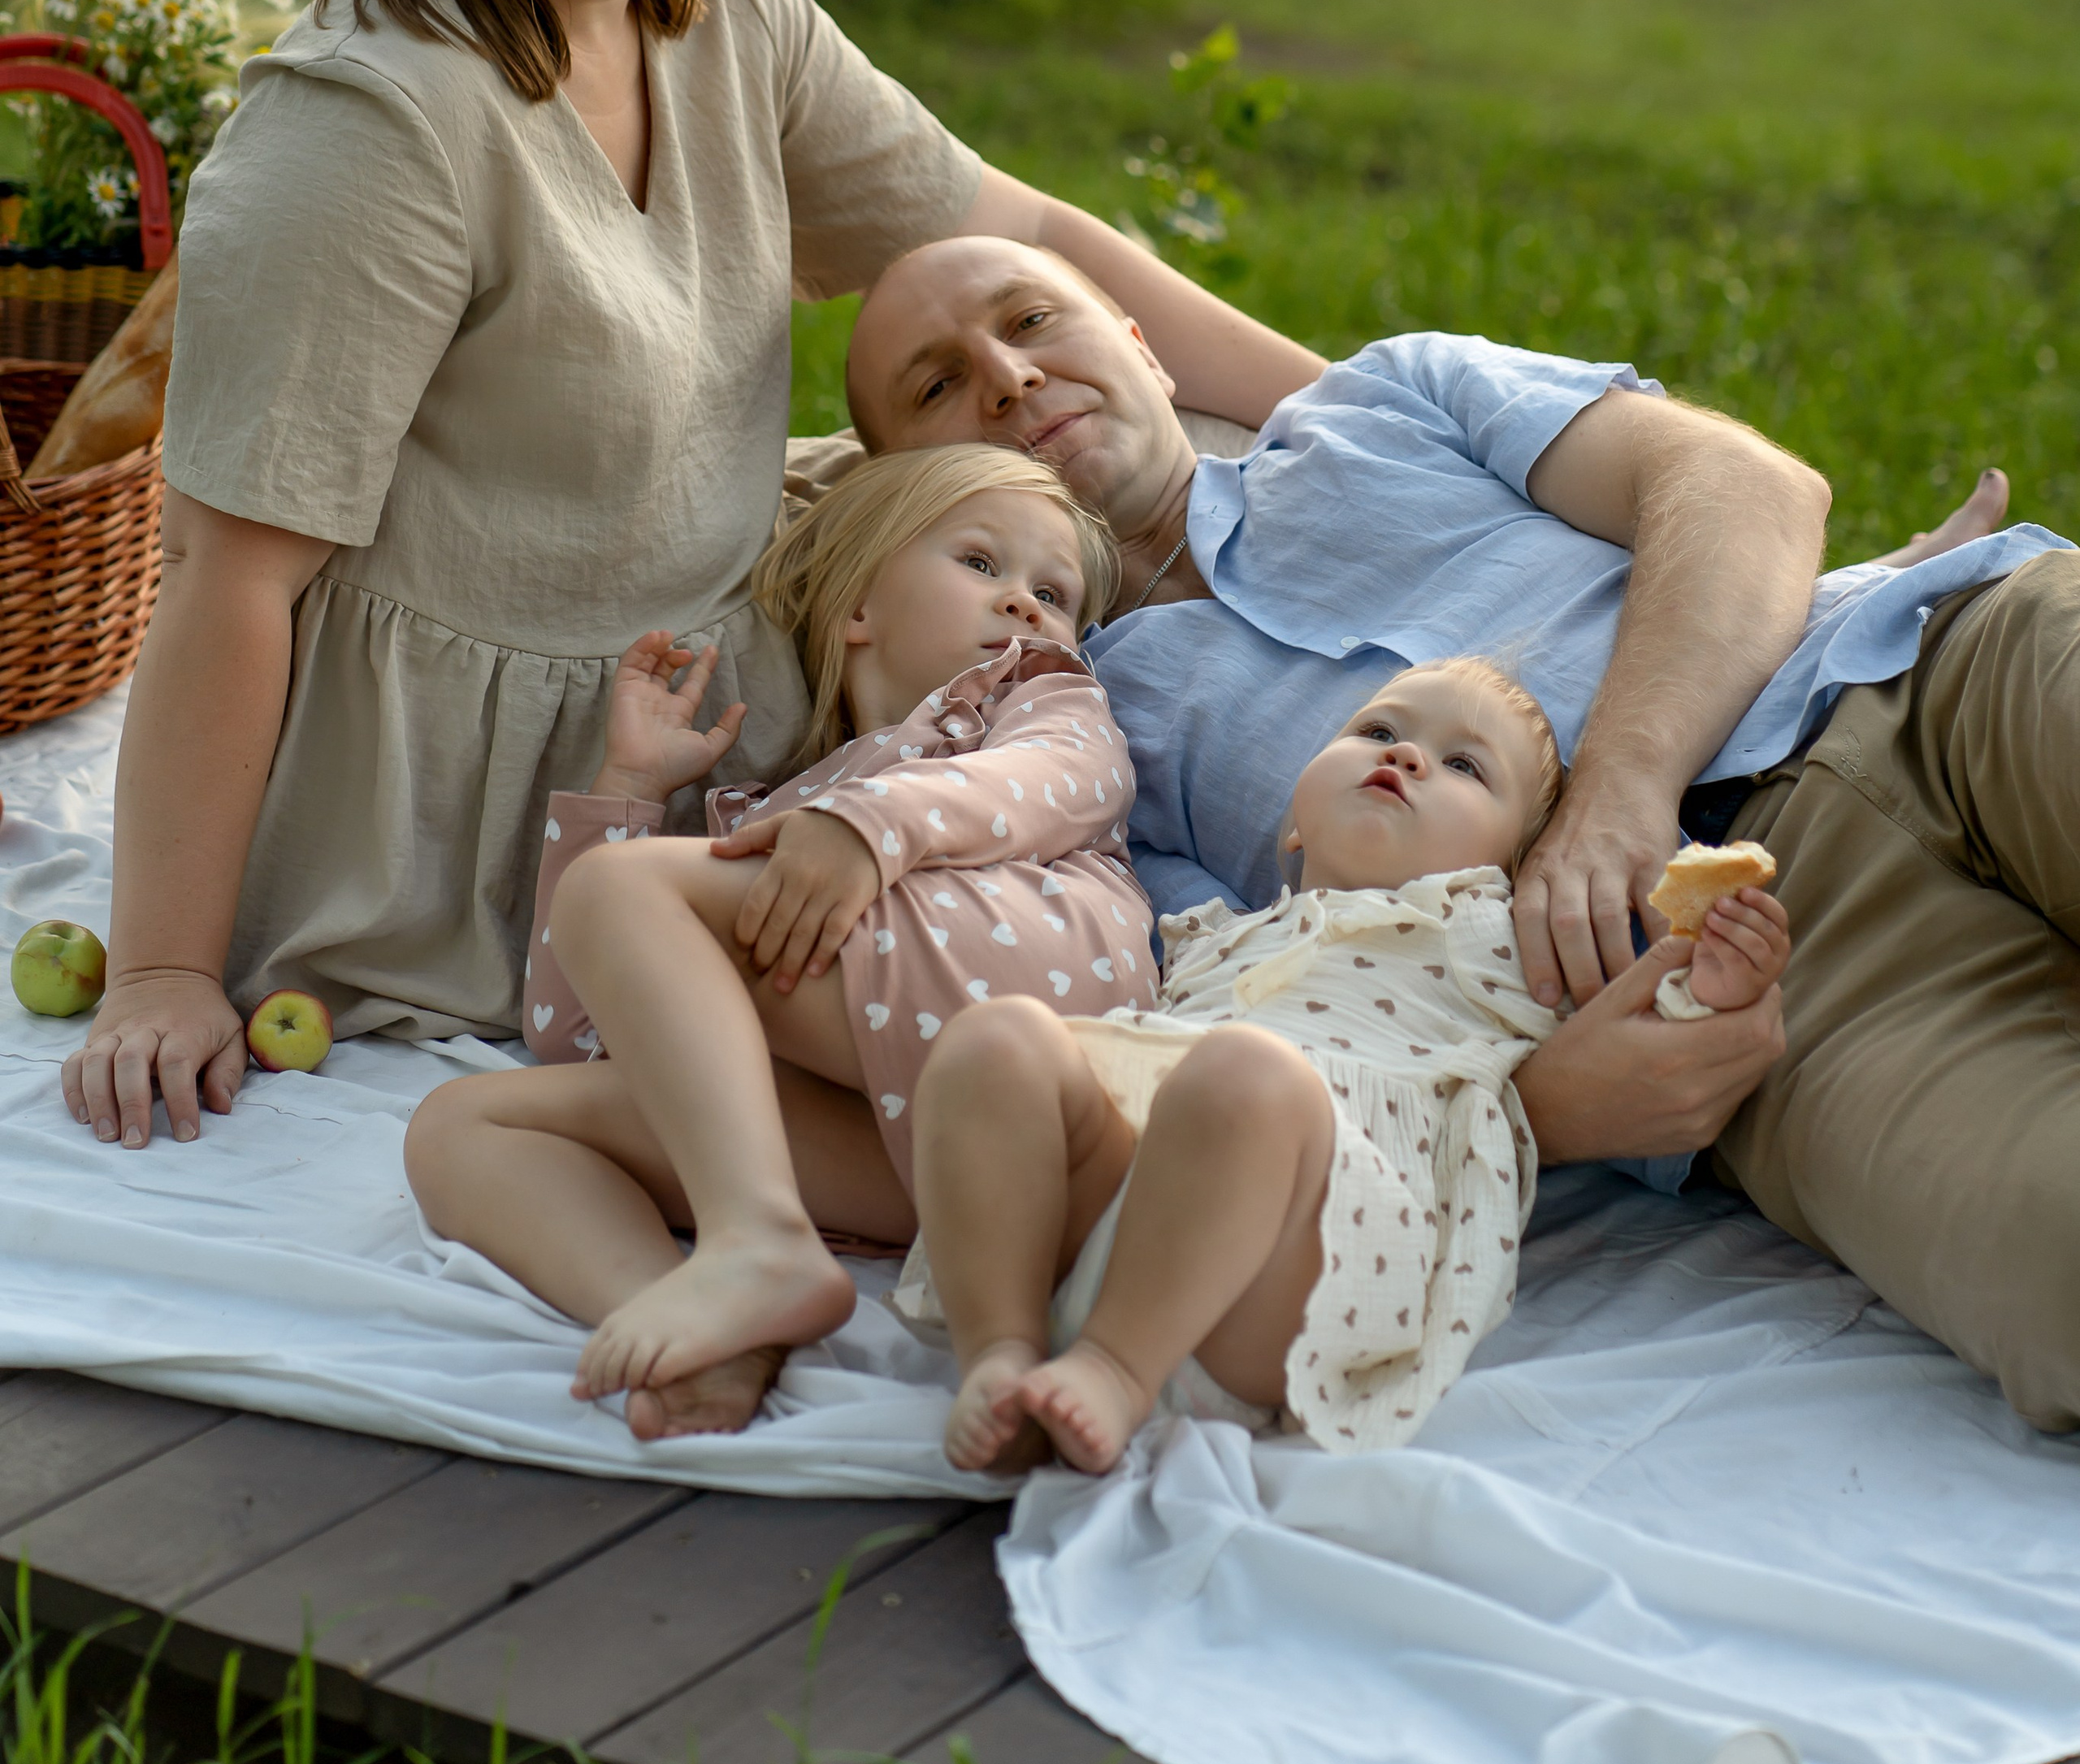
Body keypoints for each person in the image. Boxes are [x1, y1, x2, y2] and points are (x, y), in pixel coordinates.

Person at [61, 0, 1311, 1156]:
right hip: (473, 823)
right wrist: (160, 968)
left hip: (741, 702)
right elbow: (231, 575)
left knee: (1107, 617)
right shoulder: (370, 140)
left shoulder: (719, 12)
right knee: (988, 982)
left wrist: (1334, 402)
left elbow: (1014, 233)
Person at [843, 238, 2080, 1428]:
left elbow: (1744, 487)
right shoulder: (1079, 759)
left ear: (1138, 343)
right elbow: (1258, 1040)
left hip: (1931, 673)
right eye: (940, 385)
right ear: (909, 485)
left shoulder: (1388, 396)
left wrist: (1621, 789)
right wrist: (1537, 1104)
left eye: (1029, 320)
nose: (1008, 378)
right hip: (1745, 998)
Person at [404, 446, 1150, 1437]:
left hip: (1029, 1026)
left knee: (620, 894)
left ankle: (752, 1237)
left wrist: (874, 827)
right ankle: (704, 1324)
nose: (1024, 606)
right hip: (911, 1159)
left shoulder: (1031, 698)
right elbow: (578, 1028)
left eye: (1052, 593)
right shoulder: (774, 818)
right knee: (465, 1126)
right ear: (857, 612)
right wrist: (629, 790)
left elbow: (1064, 778)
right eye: (981, 565)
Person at [912, 656, 1789, 1477]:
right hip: (1128, 1210)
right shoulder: (1212, 933)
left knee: (1244, 1076)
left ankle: (1113, 1369)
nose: (1406, 755)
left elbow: (1632, 1024)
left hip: (1301, 1266)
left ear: (1516, 872)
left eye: (1464, 768)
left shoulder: (1493, 937)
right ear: (1294, 821)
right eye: (1376, 732)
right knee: (1000, 1038)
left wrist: (1705, 975)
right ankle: (1001, 1348)